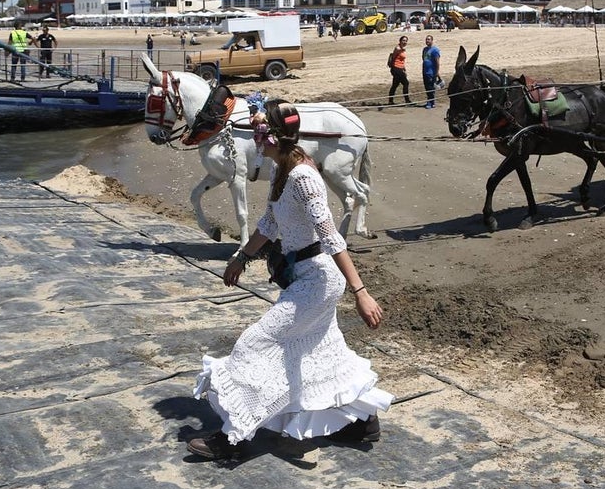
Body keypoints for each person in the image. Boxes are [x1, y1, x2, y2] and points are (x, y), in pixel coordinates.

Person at [188, 100, 392, 460]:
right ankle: (361, 423)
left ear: (272, 137)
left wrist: (361, 292)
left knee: (254, 344)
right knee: (323, 353)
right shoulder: (279, 170)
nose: (254, 138)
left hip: (317, 281)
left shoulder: (303, 178)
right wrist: (241, 257)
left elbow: (331, 238)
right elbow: (269, 223)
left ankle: (234, 436)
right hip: (302, 276)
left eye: (258, 131)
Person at [385, 35, 411, 107]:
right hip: (396, 68)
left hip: (400, 68)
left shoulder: (403, 49)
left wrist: (404, 68)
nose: (405, 42)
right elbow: (394, 56)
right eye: (403, 40)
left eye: (406, 41)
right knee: (406, 83)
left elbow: (401, 60)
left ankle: (390, 101)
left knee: (395, 84)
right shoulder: (397, 48)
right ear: (400, 41)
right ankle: (407, 100)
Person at [420, 34, 441, 109]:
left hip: (431, 72)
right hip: (425, 71)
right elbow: (424, 59)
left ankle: (430, 102)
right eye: (426, 39)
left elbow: (437, 62)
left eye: (428, 39)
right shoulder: (425, 49)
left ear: (432, 40)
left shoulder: (435, 50)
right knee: (427, 87)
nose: (427, 41)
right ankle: (432, 102)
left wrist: (437, 72)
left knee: (430, 87)